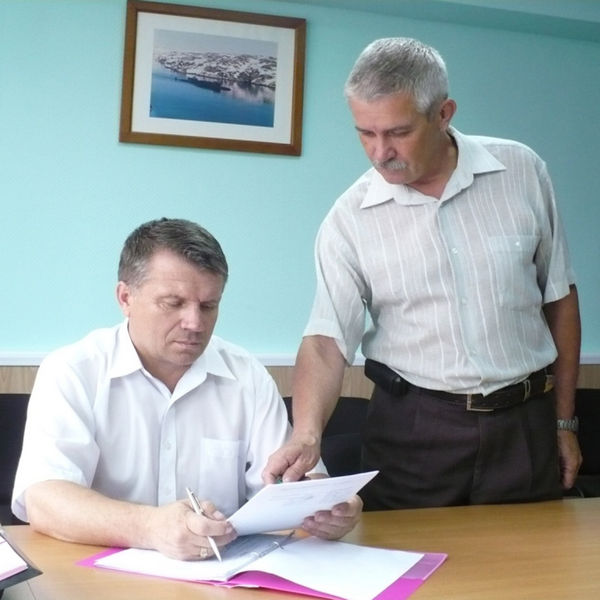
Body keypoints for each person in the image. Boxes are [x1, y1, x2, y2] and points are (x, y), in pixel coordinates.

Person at [263, 38, 582, 510]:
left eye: (398, 132)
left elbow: (559, 298)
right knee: (409, 559)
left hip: (524, 426)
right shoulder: (349, 218)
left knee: (530, 556)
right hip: (413, 431)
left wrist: (564, 423)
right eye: (365, 133)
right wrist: (307, 434)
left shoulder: (522, 170)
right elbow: (327, 341)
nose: (380, 152)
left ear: (443, 113)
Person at [12, 218, 362, 559]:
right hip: (96, 575)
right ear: (125, 297)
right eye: (174, 303)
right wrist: (150, 527)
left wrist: (323, 503)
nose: (195, 323)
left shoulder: (247, 376)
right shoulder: (73, 371)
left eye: (209, 306)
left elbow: (287, 484)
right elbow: (44, 499)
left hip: (220, 575)